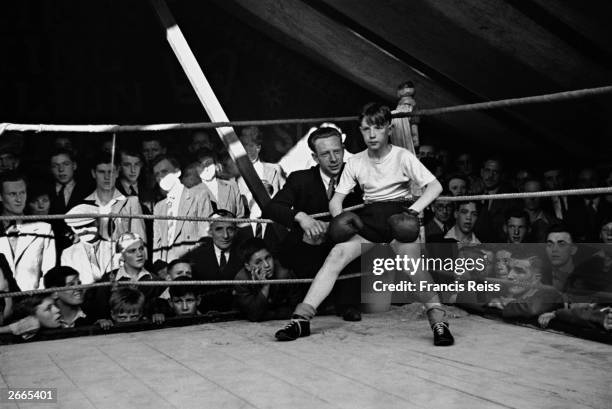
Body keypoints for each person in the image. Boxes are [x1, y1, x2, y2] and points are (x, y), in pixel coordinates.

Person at [274, 102, 453, 346]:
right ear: (360, 131)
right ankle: (301, 319)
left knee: (413, 265)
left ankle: (440, 323)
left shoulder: (402, 156)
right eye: (366, 129)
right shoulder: (356, 162)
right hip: (369, 223)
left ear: (389, 129)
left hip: (397, 220)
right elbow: (337, 199)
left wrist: (412, 211)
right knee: (336, 255)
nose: (371, 135)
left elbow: (435, 186)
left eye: (377, 128)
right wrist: (340, 222)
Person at [262, 126, 364, 321]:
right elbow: (272, 207)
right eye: (325, 154)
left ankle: (348, 304)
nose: (334, 159)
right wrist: (302, 217)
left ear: (343, 150)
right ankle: (312, 304)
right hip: (310, 255)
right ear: (315, 157)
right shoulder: (300, 179)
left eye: (337, 151)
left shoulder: (357, 176)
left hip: (346, 257)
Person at [151, 155, 213, 263]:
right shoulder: (159, 207)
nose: (160, 177)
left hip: (191, 265)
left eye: (164, 172)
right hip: (167, 269)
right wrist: (158, 266)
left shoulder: (198, 196)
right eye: (157, 174)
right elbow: (157, 243)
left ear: (177, 172)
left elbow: (206, 236)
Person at [0, 171, 56, 290]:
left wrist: (38, 301)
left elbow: (49, 271)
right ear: (0, 196)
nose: (19, 199)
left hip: (33, 302)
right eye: (12, 194)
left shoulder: (43, 229)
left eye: (22, 193)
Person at [83, 153, 147, 247]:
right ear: (93, 173)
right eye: (101, 172)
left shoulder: (130, 202)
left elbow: (140, 242)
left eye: (111, 172)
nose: (107, 177)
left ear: (117, 173)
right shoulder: (85, 204)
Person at [185, 210, 242, 312]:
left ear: (236, 231)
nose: (225, 235)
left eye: (230, 229)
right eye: (219, 229)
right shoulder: (196, 257)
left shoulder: (244, 255)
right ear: (210, 232)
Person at [233, 238, 301, 322]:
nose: (266, 265)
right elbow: (254, 315)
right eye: (258, 262)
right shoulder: (241, 279)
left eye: (268, 258)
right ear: (248, 266)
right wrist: (266, 286)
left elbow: (296, 310)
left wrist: (268, 314)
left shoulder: (284, 274)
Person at [191, 148, 245, 217]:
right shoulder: (192, 193)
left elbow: (240, 216)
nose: (205, 168)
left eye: (208, 163)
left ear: (216, 165)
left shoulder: (231, 185)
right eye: (200, 165)